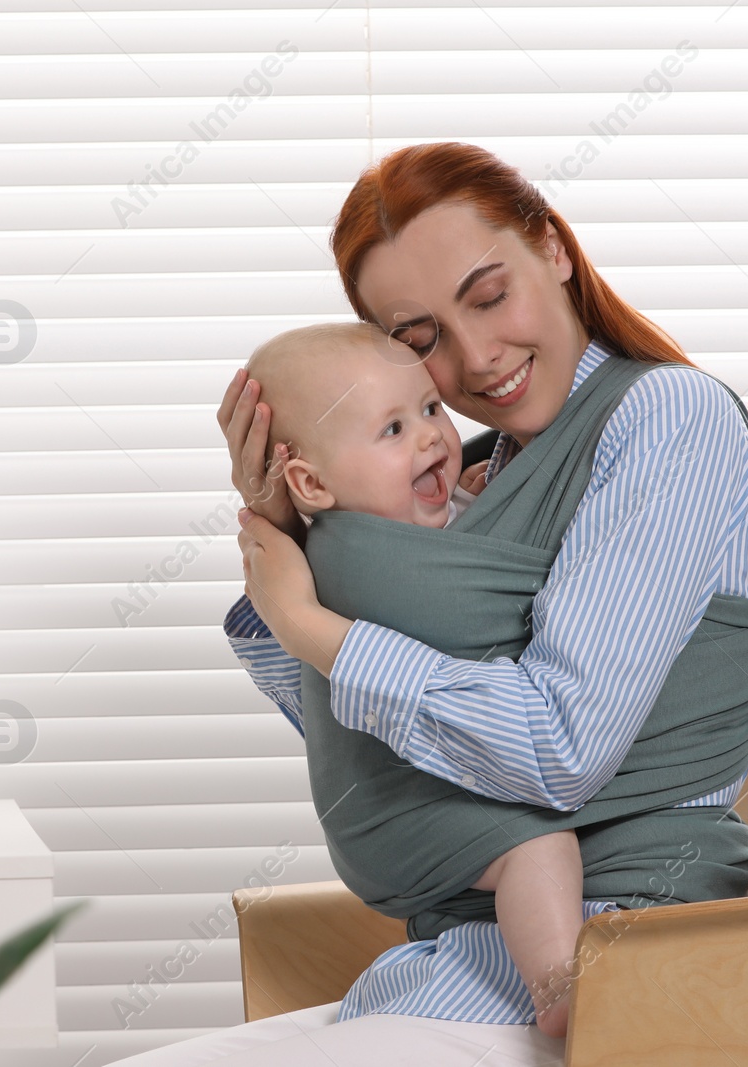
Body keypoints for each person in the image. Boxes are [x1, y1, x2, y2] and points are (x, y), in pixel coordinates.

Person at [123, 141, 748, 1066]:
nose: (477, 358)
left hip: (605, 986)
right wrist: (294, 531)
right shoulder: (470, 479)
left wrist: (311, 622)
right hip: (443, 970)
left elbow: (560, 752)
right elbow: (373, 748)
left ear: (553, 248)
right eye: (421, 338)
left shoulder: (668, 419)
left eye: (488, 295)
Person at [229, 319, 587, 1036]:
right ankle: (561, 988)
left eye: (430, 409)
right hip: (390, 809)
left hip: (429, 791)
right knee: (538, 845)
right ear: (310, 483)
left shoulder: (437, 510)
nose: (430, 436)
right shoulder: (349, 558)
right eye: (392, 429)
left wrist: (484, 497)